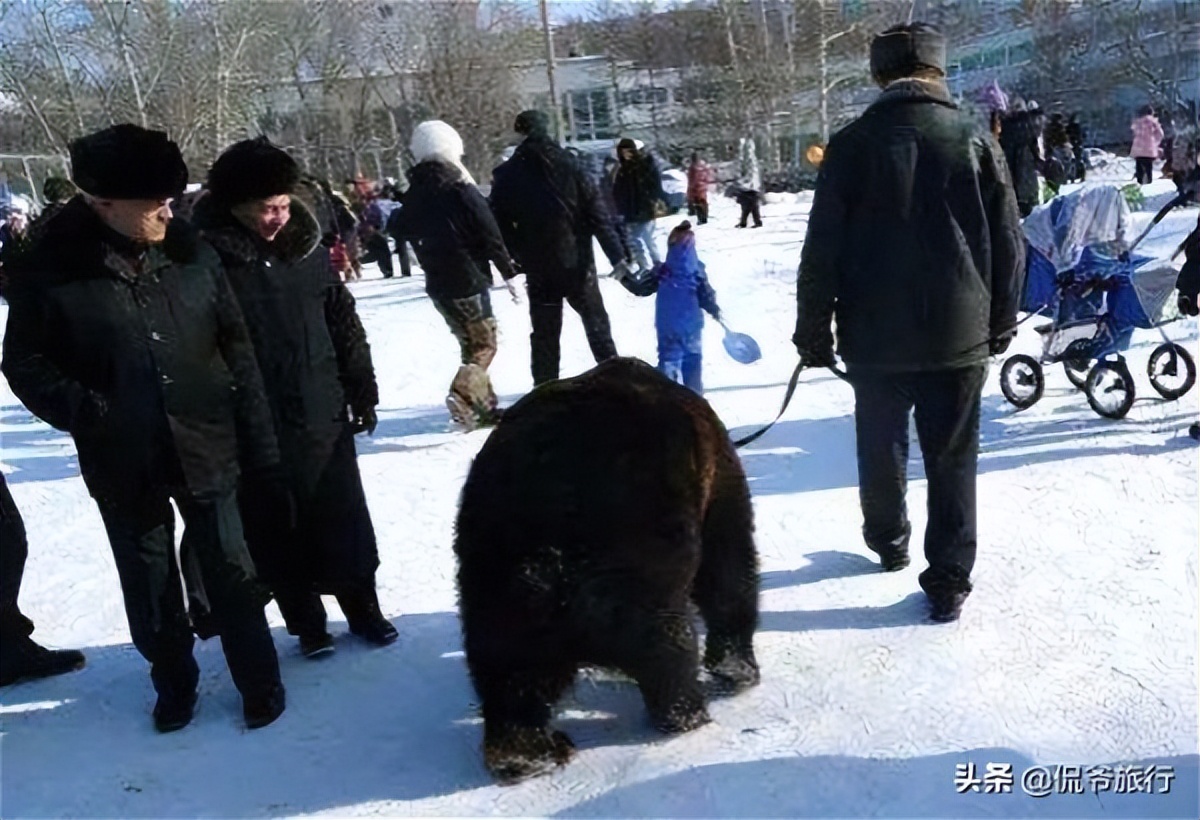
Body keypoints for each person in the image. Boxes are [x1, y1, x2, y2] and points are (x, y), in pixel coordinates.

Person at [1, 124, 287, 731]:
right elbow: (24, 362)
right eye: (154, 202)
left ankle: (259, 679)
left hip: (206, 440)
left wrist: (260, 441)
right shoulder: (50, 268)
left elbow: (236, 347)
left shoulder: (190, 251)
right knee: (149, 579)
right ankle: (174, 681)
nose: (168, 211)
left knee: (231, 569)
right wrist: (91, 412)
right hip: (122, 457)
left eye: (171, 198)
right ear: (103, 203)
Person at [792, 23, 1025, 623]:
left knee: (880, 443)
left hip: (873, 335)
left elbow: (822, 249)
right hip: (960, 331)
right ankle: (948, 580)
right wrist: (1001, 318)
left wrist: (813, 329)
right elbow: (1008, 240)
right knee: (953, 458)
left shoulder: (850, 145)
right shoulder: (975, 138)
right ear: (939, 72)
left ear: (879, 74)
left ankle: (888, 539)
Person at [192, 137, 395, 658]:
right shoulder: (206, 261)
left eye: (282, 205)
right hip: (253, 417)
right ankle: (306, 623)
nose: (277, 217)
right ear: (236, 207)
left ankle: (364, 608)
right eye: (265, 209)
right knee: (276, 525)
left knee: (342, 516)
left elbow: (340, 315)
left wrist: (360, 380)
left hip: (319, 405)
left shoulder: (306, 246)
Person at [489, 110, 631, 386]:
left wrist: (516, 255)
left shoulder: (507, 174)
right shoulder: (573, 164)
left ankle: (544, 389)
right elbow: (598, 215)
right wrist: (617, 257)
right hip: (577, 262)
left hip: (539, 265)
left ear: (520, 132)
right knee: (597, 327)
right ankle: (617, 383)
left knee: (545, 334)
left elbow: (499, 223)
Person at [391, 120, 517, 429]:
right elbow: (490, 233)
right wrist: (509, 273)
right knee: (485, 344)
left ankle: (482, 407)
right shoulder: (460, 190)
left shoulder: (414, 194)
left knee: (468, 345)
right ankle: (462, 395)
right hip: (468, 278)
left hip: (437, 282)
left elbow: (397, 227)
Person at [620, 220, 721, 394]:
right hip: (692, 328)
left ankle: (667, 399)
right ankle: (695, 399)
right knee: (692, 363)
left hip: (668, 328)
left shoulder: (661, 271)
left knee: (668, 365)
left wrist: (624, 277)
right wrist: (715, 311)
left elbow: (641, 289)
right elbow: (707, 297)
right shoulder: (697, 271)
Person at [612, 137, 664, 271]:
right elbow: (618, 190)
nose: (626, 154)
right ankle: (644, 266)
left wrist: (653, 199)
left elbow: (655, 184)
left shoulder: (645, 164)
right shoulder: (623, 169)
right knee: (635, 240)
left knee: (646, 238)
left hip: (645, 207)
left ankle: (657, 263)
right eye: (623, 152)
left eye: (628, 151)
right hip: (630, 209)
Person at [1000, 98, 1043, 217]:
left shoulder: (1006, 124)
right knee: (1030, 197)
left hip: (1011, 164)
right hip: (1026, 163)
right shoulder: (1028, 123)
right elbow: (1034, 145)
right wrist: (1037, 159)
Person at [1131, 104, 1164, 185]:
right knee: (1148, 166)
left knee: (1139, 165)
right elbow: (1160, 134)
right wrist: (1155, 142)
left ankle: (1139, 181)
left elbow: (1134, 132)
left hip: (1138, 148)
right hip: (1150, 148)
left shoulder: (1138, 123)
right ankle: (1149, 181)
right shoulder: (1154, 123)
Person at [686, 151, 712, 225]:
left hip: (695, 188)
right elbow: (708, 176)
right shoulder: (704, 166)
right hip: (703, 188)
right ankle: (705, 217)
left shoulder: (692, 167)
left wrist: (690, 190)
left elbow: (692, 180)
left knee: (697, 203)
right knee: (703, 202)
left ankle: (701, 219)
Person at [1066, 114, 1086, 182]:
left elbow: (1081, 136)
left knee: (1077, 161)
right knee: (1074, 161)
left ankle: (1078, 176)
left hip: (1076, 145)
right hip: (1072, 145)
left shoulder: (1074, 127)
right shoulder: (1072, 127)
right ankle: (1074, 176)